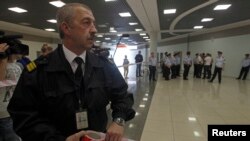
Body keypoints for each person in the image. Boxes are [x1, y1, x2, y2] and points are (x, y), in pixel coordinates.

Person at [7, 3, 135, 141]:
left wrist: (119, 120)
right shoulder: (39, 71)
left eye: (93, 23)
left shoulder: (104, 66)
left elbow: (123, 96)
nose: (94, 30)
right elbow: (23, 116)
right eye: (86, 23)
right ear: (66, 28)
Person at [0, 43, 21, 141]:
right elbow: (1, 79)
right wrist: (3, 58)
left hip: (12, 109)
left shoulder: (18, 65)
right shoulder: (3, 65)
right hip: (3, 111)